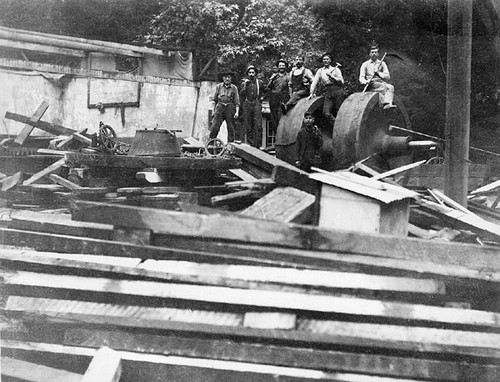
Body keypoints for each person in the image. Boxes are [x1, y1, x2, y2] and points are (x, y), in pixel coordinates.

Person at [309, 53, 344, 123]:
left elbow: (342, 82)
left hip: (337, 90)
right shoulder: (320, 71)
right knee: (326, 112)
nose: (325, 61)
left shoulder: (336, 69)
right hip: (328, 92)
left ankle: (341, 127)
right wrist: (311, 92)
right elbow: (315, 82)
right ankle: (336, 124)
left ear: (330, 60)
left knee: (339, 111)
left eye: (327, 59)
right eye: (324, 59)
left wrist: (333, 77)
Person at [359, 44, 396, 109]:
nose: (374, 54)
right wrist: (365, 82)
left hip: (380, 82)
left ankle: (388, 104)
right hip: (371, 83)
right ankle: (383, 103)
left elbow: (387, 76)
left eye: (375, 52)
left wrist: (378, 73)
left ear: (378, 54)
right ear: (369, 54)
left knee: (390, 87)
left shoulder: (382, 63)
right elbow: (361, 77)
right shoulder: (365, 64)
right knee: (383, 86)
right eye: (372, 52)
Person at [209, 70, 240, 143]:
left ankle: (230, 145)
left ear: (231, 78)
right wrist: (213, 111)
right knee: (215, 126)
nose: (227, 79)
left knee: (231, 127)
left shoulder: (234, 88)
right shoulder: (219, 86)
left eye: (228, 77)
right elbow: (214, 100)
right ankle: (211, 143)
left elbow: (237, 102)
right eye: (225, 77)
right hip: (220, 107)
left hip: (230, 107)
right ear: (223, 78)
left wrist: (237, 113)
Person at [240, 65, 266, 148]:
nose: (251, 74)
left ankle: (258, 144)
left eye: (253, 72)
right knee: (248, 125)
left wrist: (262, 98)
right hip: (247, 104)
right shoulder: (244, 83)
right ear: (247, 74)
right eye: (250, 72)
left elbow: (266, 91)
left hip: (256, 103)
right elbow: (241, 94)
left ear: (255, 74)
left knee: (258, 125)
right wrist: (245, 86)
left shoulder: (259, 82)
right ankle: (250, 144)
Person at [267, 59, 290, 135]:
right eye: (280, 66)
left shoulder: (288, 76)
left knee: (282, 116)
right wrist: (272, 78)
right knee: (274, 118)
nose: (281, 67)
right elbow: (268, 87)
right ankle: (276, 135)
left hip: (283, 98)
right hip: (274, 98)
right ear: (277, 67)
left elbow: (290, 87)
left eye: (283, 65)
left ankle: (282, 135)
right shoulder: (274, 76)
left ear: (285, 67)